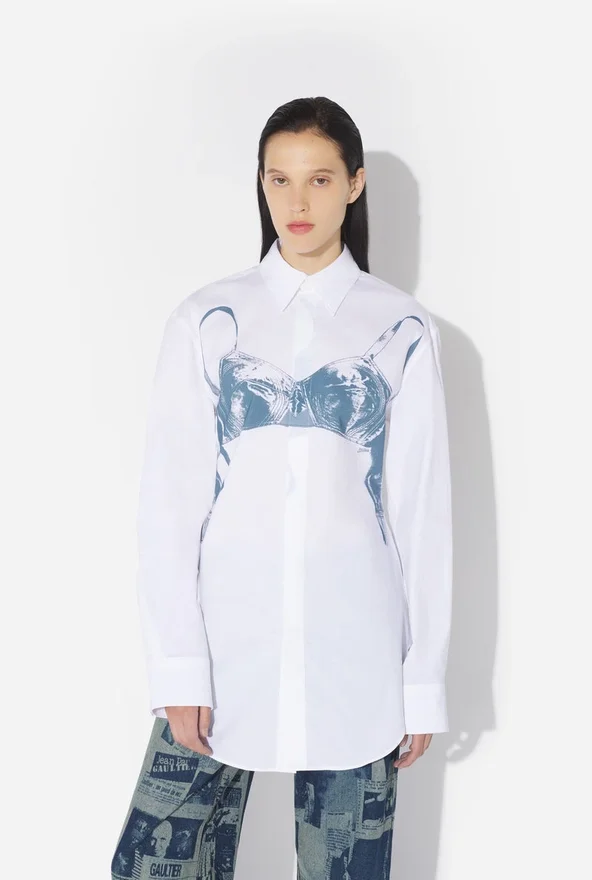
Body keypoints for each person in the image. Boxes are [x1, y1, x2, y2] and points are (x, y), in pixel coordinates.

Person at [111, 95, 453, 880]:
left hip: (357, 657)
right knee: (153, 865)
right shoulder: (205, 317)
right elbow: (169, 508)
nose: (297, 202)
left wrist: (423, 679)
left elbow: (421, 514)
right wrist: (178, 666)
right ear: (261, 184)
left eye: (320, 179)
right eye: (279, 179)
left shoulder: (401, 325)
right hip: (227, 649)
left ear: (354, 185)